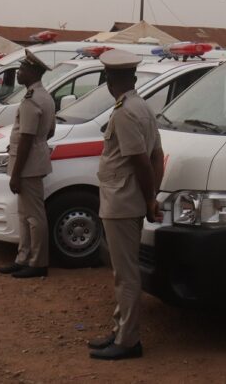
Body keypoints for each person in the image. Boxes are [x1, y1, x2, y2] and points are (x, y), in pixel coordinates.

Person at [88, 49, 164, 361]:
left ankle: (128, 340)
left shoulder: (124, 113)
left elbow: (141, 161)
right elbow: (157, 157)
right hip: (128, 198)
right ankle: (121, 330)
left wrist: (149, 199)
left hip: (122, 200)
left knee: (126, 274)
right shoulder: (142, 107)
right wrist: (152, 196)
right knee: (125, 271)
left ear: (109, 80)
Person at [0, 50, 55, 279]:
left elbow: (27, 138)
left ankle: (38, 262)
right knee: (25, 215)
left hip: (28, 165)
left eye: (22, 69)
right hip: (34, 160)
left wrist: (16, 174)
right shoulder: (44, 96)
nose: (18, 73)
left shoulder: (32, 100)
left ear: (32, 72)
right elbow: (49, 131)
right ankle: (23, 258)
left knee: (34, 217)